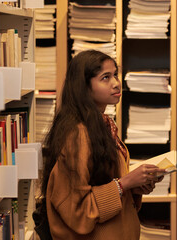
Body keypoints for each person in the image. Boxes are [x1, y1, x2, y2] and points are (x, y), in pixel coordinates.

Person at [40, 50, 166, 239]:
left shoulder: (103, 125)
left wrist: (134, 187)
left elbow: (103, 181)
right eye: (105, 78)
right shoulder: (77, 135)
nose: (116, 83)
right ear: (84, 87)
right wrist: (125, 183)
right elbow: (76, 210)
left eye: (115, 74)